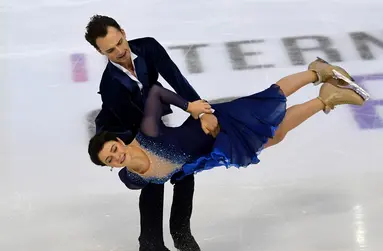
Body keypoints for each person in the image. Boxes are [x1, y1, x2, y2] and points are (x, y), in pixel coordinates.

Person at [88, 58, 370, 188]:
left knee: (268, 103)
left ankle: (317, 73)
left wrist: (193, 108)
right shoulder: (132, 179)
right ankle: (328, 98)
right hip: (217, 149)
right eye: (110, 160)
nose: (117, 156)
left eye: (113, 148)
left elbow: (154, 92)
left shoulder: (146, 135)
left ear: (117, 140)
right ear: (110, 167)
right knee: (277, 134)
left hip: (215, 124)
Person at [84, 14, 220, 251]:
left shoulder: (148, 47)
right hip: (122, 131)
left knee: (183, 162)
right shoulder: (111, 85)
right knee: (155, 172)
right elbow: (135, 132)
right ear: (100, 52)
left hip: (151, 113)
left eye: (120, 42)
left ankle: (179, 228)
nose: (120, 52)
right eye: (110, 51)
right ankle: (151, 244)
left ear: (123, 32)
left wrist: (201, 110)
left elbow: (175, 78)